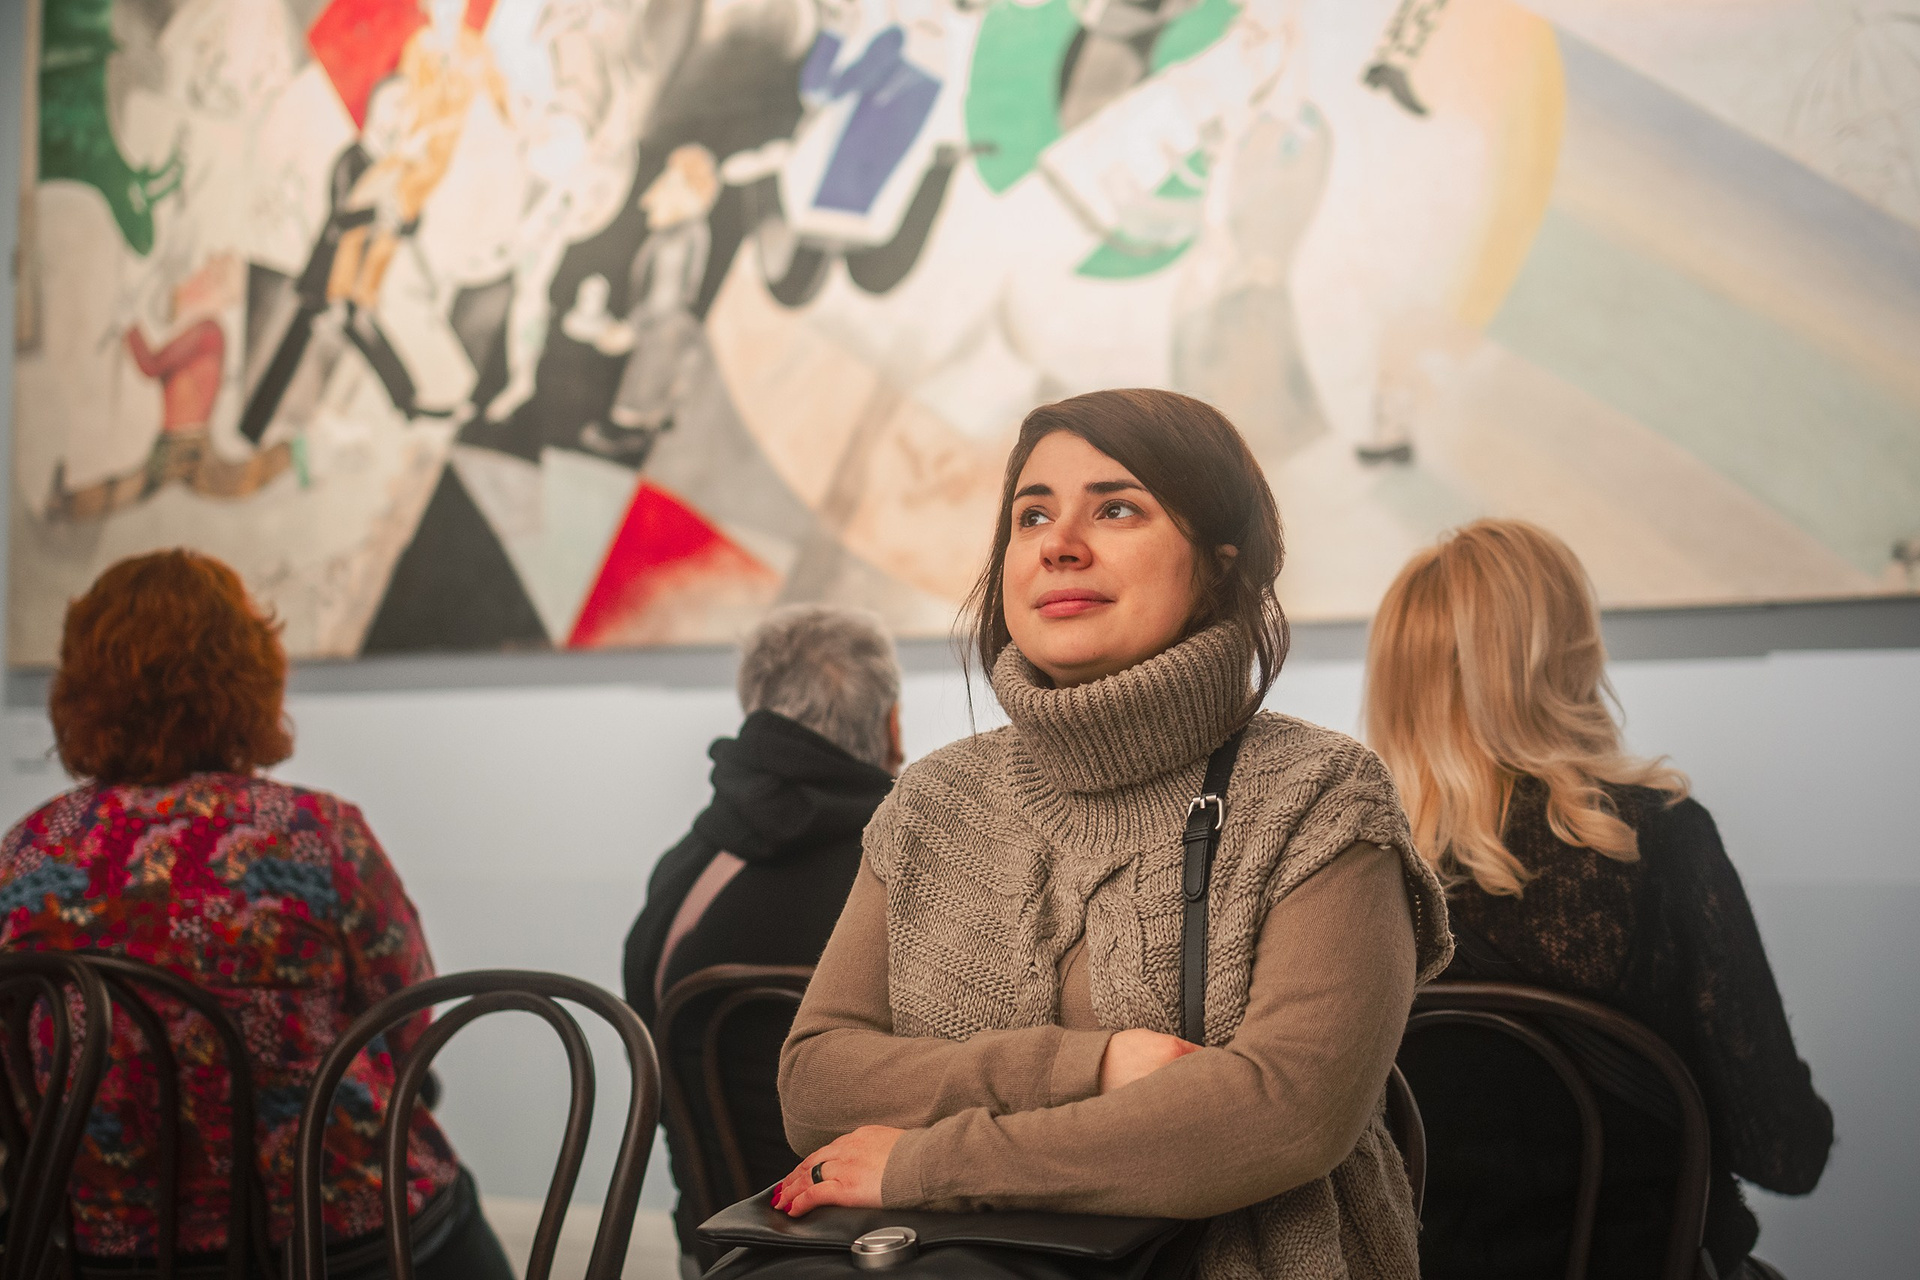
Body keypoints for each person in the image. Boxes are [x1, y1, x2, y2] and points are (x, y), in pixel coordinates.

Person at [773, 389, 1452, 1278]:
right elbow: (817, 1083)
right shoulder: (934, 801)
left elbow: (1286, 1113)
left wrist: (927, 1165)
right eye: (1032, 515)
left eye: (1117, 509)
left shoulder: (1319, 795)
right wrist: (1090, 1068)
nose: (1058, 543)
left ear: (1219, 567)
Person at [0, 550, 512, 1280]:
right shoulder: (315, 833)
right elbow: (407, 1020)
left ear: (80, 689)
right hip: (335, 1236)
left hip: (100, 1246)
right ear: (250, 679)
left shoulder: (26, 854)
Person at [1364, 519, 1831, 1280]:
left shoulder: (1345, 871)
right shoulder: (1659, 841)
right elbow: (1786, 1152)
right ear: (1568, 660)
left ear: (1396, 683)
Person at [623, 604, 901, 1269]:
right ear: (891, 725)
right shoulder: (902, 872)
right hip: (882, 1249)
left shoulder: (684, 870)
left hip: (714, 1244)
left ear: (756, 713)